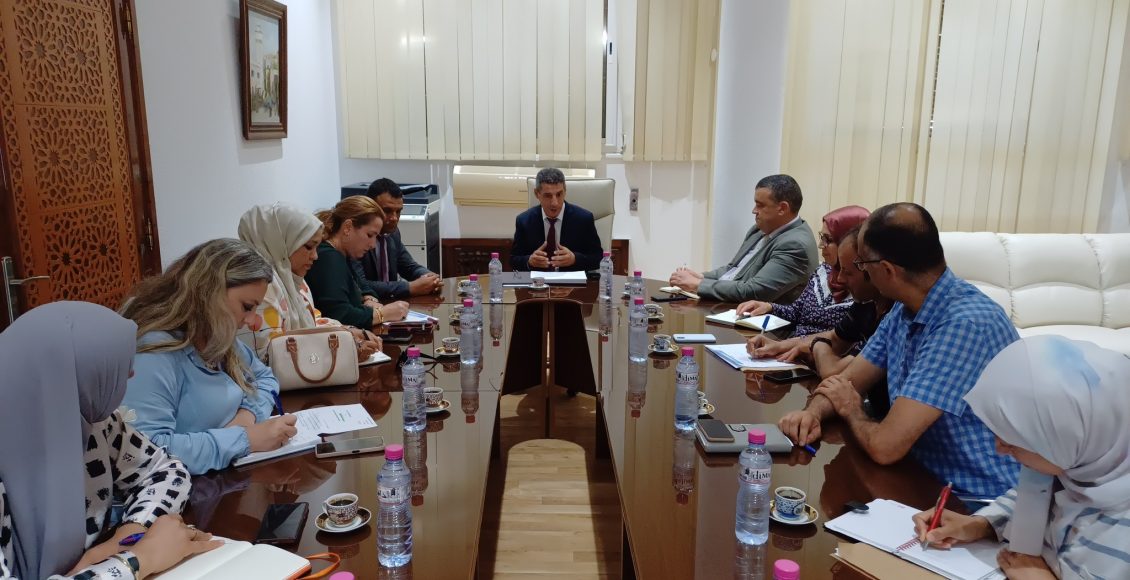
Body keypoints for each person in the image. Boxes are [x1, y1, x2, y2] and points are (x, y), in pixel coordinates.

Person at [779, 203, 1020, 501]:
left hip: (974, 500)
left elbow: (885, 446)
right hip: (920, 475)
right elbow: (846, 381)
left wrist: (852, 409)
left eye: (862, 265)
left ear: (887, 270)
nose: (858, 274)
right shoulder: (905, 309)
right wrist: (811, 414)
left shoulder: (963, 325)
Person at [0, 302, 221, 579]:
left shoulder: (93, 424)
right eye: (112, 364)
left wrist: (131, 532)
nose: (131, 374)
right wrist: (140, 559)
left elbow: (166, 471)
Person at [913, 336, 1130, 580]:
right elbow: (1030, 496)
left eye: (1013, 440)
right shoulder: (1074, 468)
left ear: (1072, 435)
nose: (999, 449)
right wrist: (980, 524)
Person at [120, 239, 299, 475]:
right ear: (209, 292)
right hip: (182, 491)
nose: (251, 321)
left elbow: (265, 378)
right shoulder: (155, 351)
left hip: (222, 478)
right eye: (247, 306)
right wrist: (244, 440)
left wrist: (247, 416)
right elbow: (143, 453)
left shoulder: (217, 335)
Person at [236, 203, 383, 361]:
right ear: (280, 242)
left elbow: (314, 322)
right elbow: (268, 357)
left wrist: (349, 332)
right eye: (308, 247)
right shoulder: (260, 288)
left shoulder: (295, 280)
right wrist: (345, 350)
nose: (315, 256)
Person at [749, 226, 894, 380]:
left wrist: (817, 345)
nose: (840, 279)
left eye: (848, 272)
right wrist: (778, 346)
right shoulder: (866, 303)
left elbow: (834, 373)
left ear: (873, 269)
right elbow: (836, 338)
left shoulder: (892, 316)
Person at [668, 174, 818, 303]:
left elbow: (755, 292)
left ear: (782, 208)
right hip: (732, 307)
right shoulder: (759, 230)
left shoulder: (795, 245)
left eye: (760, 205)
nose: (754, 211)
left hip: (765, 322)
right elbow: (733, 270)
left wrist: (698, 284)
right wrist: (700, 276)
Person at [735, 205, 869, 335]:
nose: (821, 245)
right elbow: (796, 312)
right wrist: (769, 307)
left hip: (810, 349)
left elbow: (841, 342)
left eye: (828, 239)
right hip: (791, 346)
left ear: (851, 242)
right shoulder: (823, 271)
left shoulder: (865, 291)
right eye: (821, 237)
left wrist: (793, 345)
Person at [304, 196, 410, 330]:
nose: (373, 245)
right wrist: (382, 314)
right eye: (370, 235)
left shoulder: (344, 253)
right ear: (347, 227)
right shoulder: (328, 257)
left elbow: (362, 285)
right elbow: (339, 314)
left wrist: (369, 298)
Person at [353, 178, 443, 300]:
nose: (394, 218)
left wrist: (430, 278)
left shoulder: (393, 233)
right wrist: (409, 287)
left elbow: (409, 267)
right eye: (387, 211)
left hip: (392, 304)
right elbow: (360, 285)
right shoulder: (357, 238)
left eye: (398, 211)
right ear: (369, 208)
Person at [511, 167, 604, 272]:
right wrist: (529, 261)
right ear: (537, 194)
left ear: (565, 191)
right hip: (538, 281)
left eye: (559, 194)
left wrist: (575, 259)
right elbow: (514, 260)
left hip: (572, 280)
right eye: (548, 196)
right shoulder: (524, 221)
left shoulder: (584, 219)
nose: (554, 203)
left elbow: (599, 258)